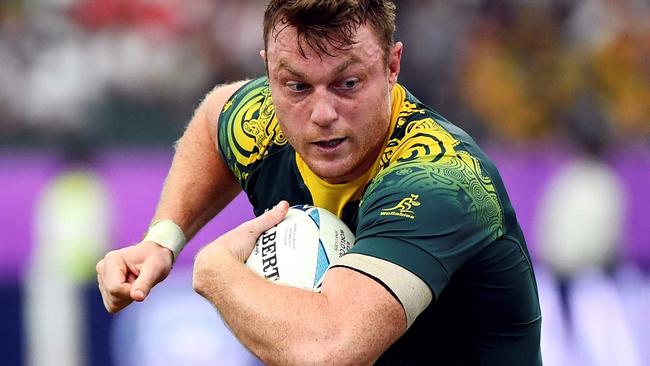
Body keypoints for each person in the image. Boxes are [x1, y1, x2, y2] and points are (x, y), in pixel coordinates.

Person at [96, 1, 542, 364]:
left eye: (347, 83)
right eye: (296, 86)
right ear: (270, 72)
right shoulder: (266, 119)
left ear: (392, 65)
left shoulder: (440, 181)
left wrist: (214, 271)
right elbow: (216, 114)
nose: (322, 114)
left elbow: (330, 349)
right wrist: (162, 240)